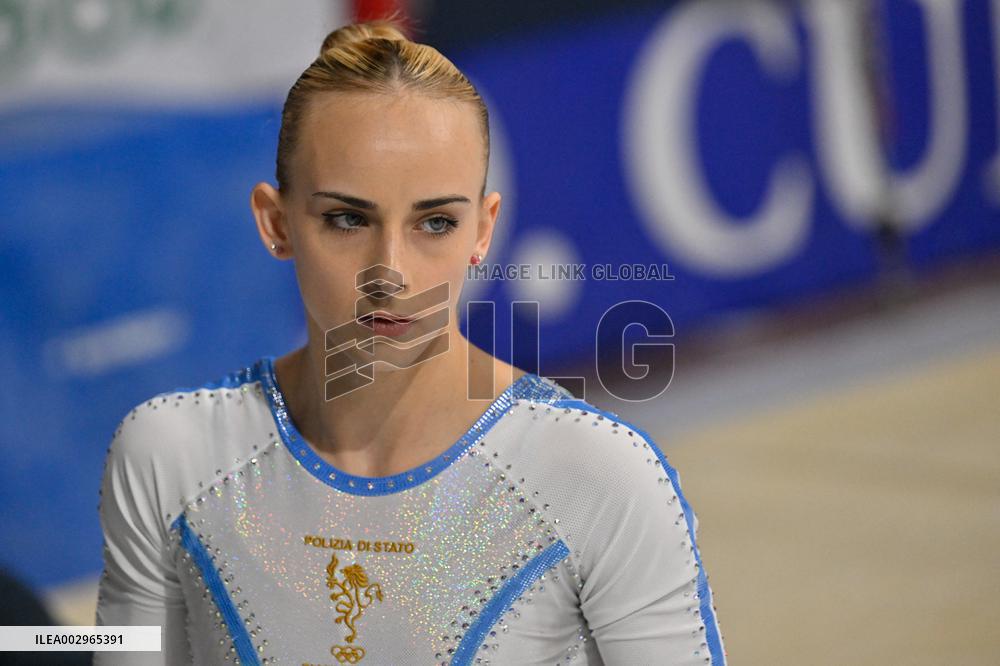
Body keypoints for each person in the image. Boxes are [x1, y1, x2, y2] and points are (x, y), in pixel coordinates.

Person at [94, 18, 726, 665]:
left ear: (483, 231)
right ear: (275, 223)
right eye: (347, 219)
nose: (389, 271)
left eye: (436, 222)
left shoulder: (599, 479)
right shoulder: (168, 455)